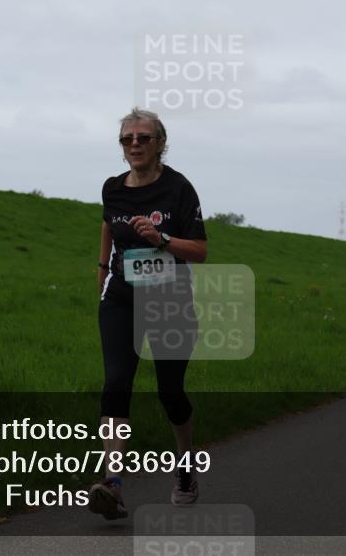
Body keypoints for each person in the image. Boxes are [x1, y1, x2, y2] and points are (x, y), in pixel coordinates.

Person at [89, 108, 208, 520]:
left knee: (169, 392)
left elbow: (201, 251)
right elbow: (108, 224)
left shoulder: (179, 189)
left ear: (160, 142)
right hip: (121, 297)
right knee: (116, 383)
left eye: (143, 138)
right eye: (127, 139)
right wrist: (103, 269)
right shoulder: (112, 188)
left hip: (169, 300)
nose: (134, 144)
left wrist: (163, 238)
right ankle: (113, 483)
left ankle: (186, 466)